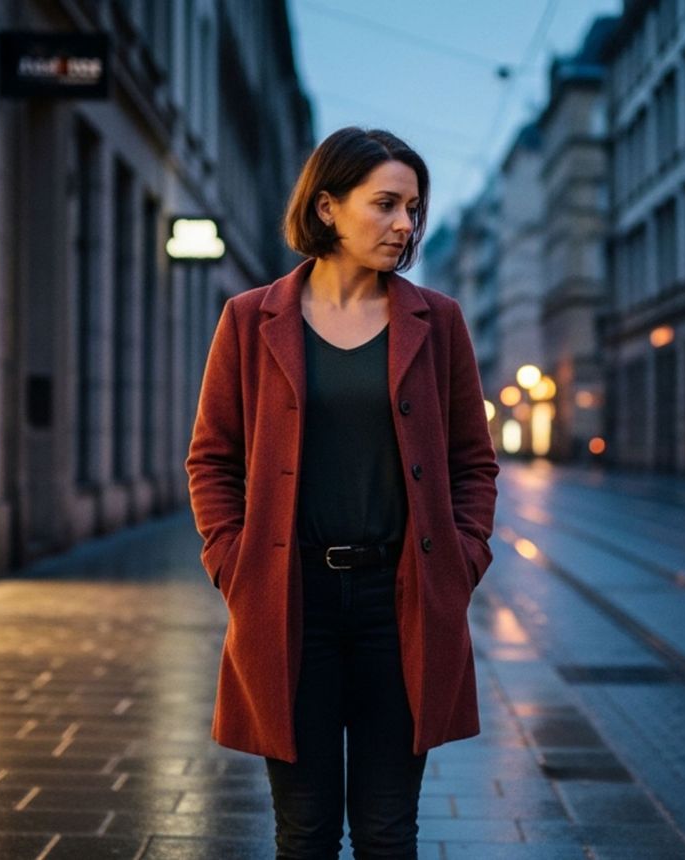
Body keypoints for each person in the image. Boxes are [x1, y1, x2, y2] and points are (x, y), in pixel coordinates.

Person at [186, 127, 499, 859]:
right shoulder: (250, 319)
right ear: (327, 207)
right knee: (305, 832)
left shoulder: (438, 322)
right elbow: (212, 459)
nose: (405, 225)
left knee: (389, 833)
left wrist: (463, 559)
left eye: (413, 209)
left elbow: (472, 463)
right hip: (292, 601)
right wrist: (234, 564)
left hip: (402, 601)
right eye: (385, 204)